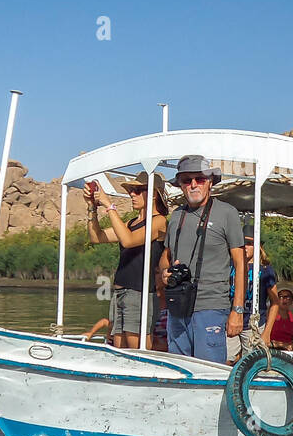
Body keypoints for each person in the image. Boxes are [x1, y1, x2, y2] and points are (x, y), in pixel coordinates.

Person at [158, 155, 245, 364]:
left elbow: (240, 262)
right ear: (180, 185)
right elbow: (165, 256)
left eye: (200, 179)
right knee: (178, 369)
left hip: (211, 306)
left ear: (210, 182)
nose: (193, 185)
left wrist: (238, 311)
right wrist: (164, 273)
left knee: (209, 369)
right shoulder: (177, 215)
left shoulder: (227, 213)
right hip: (178, 305)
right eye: (186, 180)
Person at [86, 172, 168, 350]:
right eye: (131, 190)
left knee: (137, 349)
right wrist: (92, 208)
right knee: (118, 347)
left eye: (138, 190)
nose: (132, 194)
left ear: (153, 194)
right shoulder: (130, 223)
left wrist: (109, 205)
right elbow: (97, 237)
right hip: (121, 293)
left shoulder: (159, 221)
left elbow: (129, 241)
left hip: (140, 292)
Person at [226, 225, 279, 363]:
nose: (245, 247)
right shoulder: (229, 265)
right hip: (231, 320)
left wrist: (267, 332)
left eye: (249, 244)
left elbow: (275, 302)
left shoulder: (265, 270)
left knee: (252, 363)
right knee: (225, 359)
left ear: (258, 247)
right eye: (242, 243)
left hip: (253, 324)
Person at [264, 286, 293, 351]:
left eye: (288, 297)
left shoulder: (292, 318)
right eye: (281, 296)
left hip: (289, 351)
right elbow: (264, 340)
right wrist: (282, 345)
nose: (285, 299)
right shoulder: (268, 315)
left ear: (292, 300)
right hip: (272, 350)